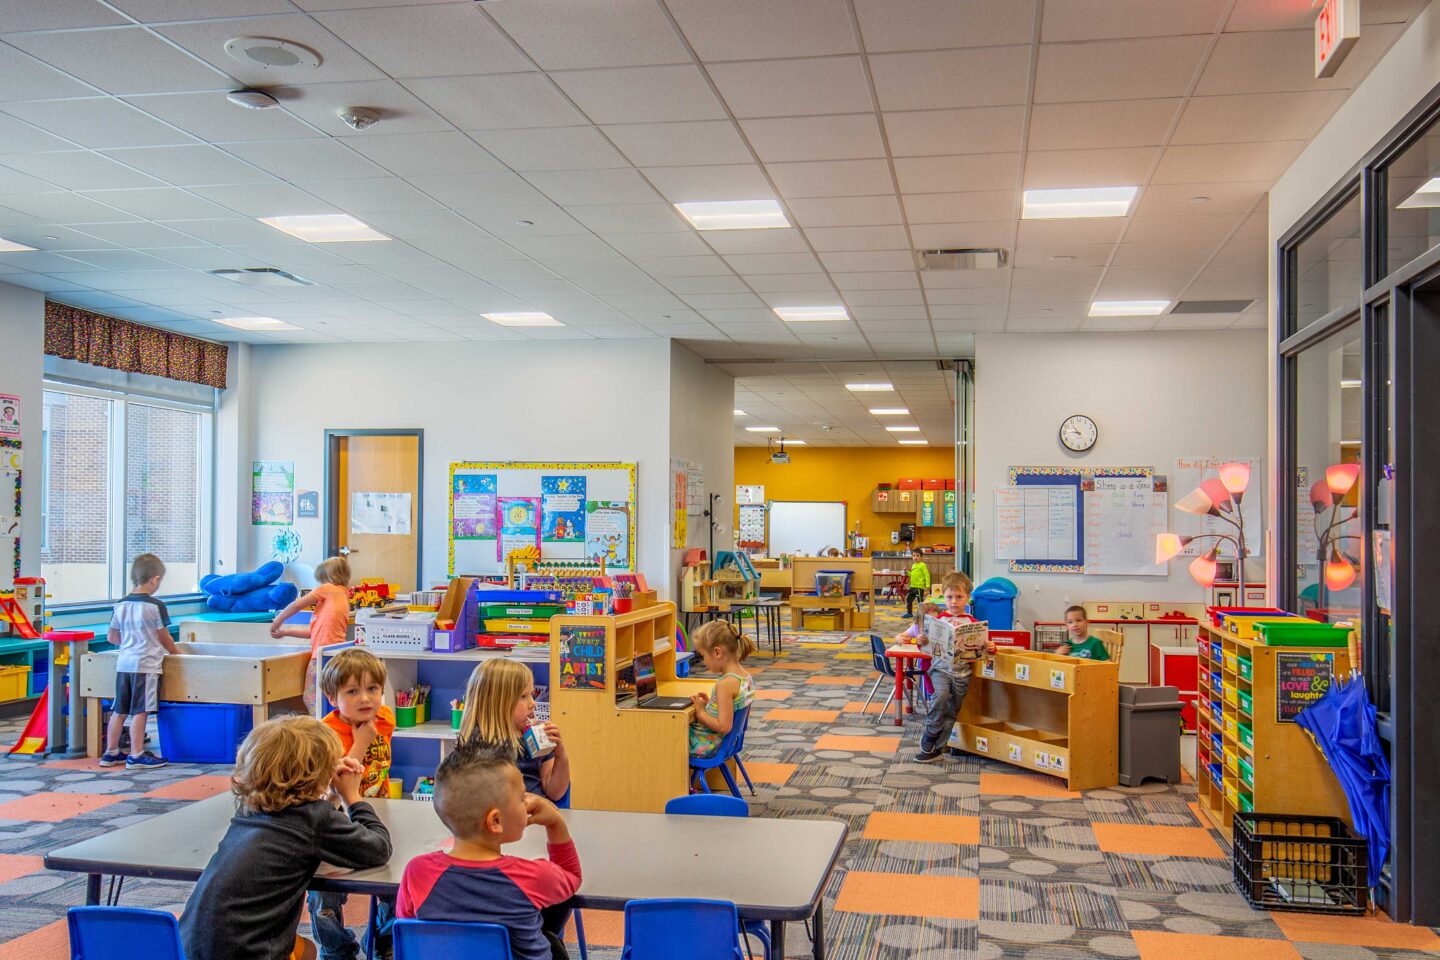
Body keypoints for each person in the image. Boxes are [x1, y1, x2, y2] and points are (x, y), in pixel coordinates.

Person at [179, 715, 392, 960]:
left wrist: (330, 798)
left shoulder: (250, 810)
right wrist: (352, 798)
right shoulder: (312, 820)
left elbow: (305, 831)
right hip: (248, 953)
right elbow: (378, 848)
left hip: (188, 948)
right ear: (317, 773)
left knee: (307, 951)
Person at [397, 743, 582, 960]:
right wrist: (555, 823)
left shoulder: (416, 873)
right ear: (495, 821)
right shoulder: (533, 877)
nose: (529, 802)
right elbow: (572, 877)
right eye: (522, 797)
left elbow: (410, 931)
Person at [312, 649, 397, 960]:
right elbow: (340, 780)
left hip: (377, 813)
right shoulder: (325, 733)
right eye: (353, 691)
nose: (365, 698)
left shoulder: (385, 718)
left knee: (392, 884)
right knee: (324, 894)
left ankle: (384, 942)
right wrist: (361, 742)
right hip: (334, 820)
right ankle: (336, 950)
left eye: (373, 689)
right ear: (332, 697)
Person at [895, 570, 995, 764]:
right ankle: (930, 733)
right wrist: (921, 640)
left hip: (962, 674)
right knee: (940, 697)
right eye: (950, 597)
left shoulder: (973, 623)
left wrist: (991, 647)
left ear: (968, 597)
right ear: (944, 598)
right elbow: (924, 647)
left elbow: (984, 647)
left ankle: (937, 748)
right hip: (940, 670)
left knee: (951, 712)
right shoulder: (938, 621)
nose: (954, 602)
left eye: (959, 597)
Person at [99, 554, 180, 769]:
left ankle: (111, 752)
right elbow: (164, 636)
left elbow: (112, 637)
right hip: (146, 664)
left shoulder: (120, 604)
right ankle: (136, 754)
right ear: (154, 579)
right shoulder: (155, 606)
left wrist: (129, 642)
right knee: (141, 710)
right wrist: (175, 652)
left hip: (124, 663)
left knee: (120, 709)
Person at [457, 658, 570, 802]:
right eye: (523, 696)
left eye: (532, 694)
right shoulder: (477, 746)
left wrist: (561, 755)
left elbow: (555, 792)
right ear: (496, 703)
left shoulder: (534, 733)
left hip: (537, 816)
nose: (533, 703)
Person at [271, 556, 353, 713]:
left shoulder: (327, 589)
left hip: (322, 656)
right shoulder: (342, 594)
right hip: (335, 653)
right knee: (329, 697)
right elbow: (315, 632)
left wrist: (278, 620)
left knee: (310, 697)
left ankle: (320, 728)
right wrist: (285, 632)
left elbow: (297, 605)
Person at [687, 620, 756, 758]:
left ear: (717, 652)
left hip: (710, 745)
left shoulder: (725, 684)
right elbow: (737, 712)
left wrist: (701, 713)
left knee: (668, 733)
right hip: (729, 743)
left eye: (703, 656)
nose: (704, 661)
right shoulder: (745, 677)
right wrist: (711, 705)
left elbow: (724, 726)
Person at [904, 550, 930, 618]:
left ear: (921, 557)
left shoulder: (923, 565)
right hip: (912, 586)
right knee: (908, 599)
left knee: (920, 602)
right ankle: (909, 613)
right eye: (914, 555)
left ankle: (922, 614)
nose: (915, 557)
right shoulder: (913, 565)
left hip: (919, 587)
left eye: (917, 555)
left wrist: (927, 586)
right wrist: (907, 573)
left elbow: (926, 575)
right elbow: (912, 574)